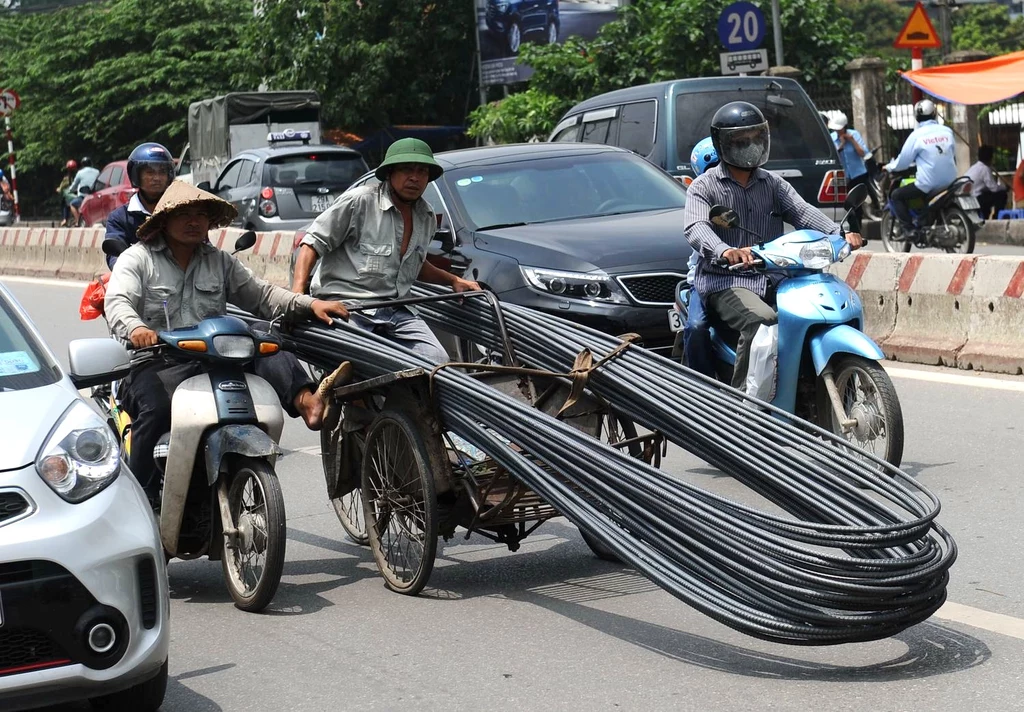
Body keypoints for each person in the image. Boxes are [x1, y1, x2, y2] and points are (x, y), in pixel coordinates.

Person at [105, 181, 351, 505]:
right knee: (158, 409)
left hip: (215, 358)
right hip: (157, 361)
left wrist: (309, 304)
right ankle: (141, 501)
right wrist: (137, 328)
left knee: (266, 340)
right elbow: (117, 301)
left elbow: (261, 295)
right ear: (163, 220)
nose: (194, 221)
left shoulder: (219, 261)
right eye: (184, 214)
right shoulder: (138, 259)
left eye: (200, 214)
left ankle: (308, 402)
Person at [683, 101, 863, 391]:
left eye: (756, 137)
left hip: (775, 276)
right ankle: (745, 406)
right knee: (762, 321)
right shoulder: (703, 186)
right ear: (723, 144)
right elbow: (696, 227)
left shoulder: (772, 183)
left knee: (816, 312)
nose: (751, 146)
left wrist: (839, 232)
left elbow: (802, 212)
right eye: (741, 141)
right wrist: (724, 250)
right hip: (726, 279)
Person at [291, 138, 479, 364]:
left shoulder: (426, 216)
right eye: (407, 169)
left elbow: (414, 264)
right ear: (390, 173)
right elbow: (312, 244)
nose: (415, 178)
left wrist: (453, 280)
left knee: (437, 362)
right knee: (361, 366)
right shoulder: (359, 202)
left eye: (422, 171)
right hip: (348, 307)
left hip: (397, 310)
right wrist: (298, 299)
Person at [884, 100, 957, 234]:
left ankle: (909, 230)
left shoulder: (916, 136)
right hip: (951, 181)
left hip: (929, 184)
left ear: (917, 117)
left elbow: (903, 162)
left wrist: (889, 167)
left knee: (896, 195)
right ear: (934, 114)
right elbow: (952, 153)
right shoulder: (947, 131)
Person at [681, 136, 719, 378]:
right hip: (707, 277)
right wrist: (723, 250)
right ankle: (703, 386)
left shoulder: (760, 185)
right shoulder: (700, 195)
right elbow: (698, 231)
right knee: (696, 327)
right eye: (712, 168)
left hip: (756, 273)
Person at [104, 143, 175, 268]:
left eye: (162, 172)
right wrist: (125, 270)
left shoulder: (180, 211)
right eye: (150, 172)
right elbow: (114, 256)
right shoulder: (120, 218)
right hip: (139, 278)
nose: (157, 178)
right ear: (136, 175)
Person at [828, 112, 869, 232]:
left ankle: (858, 231)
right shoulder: (832, 138)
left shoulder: (854, 134)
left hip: (858, 174)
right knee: (847, 205)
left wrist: (852, 141)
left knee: (858, 205)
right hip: (844, 177)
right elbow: (833, 156)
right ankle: (850, 229)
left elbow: (863, 153)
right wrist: (842, 144)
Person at [965, 145, 1008, 220]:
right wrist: (1005, 187)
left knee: (987, 195)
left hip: (971, 197)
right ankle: (996, 217)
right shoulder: (985, 169)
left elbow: (986, 188)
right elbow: (994, 188)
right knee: (1002, 194)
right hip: (976, 198)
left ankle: (986, 217)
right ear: (990, 158)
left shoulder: (973, 168)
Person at [68, 156, 100, 225]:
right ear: (91, 163)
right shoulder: (97, 172)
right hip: (95, 195)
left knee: (72, 204)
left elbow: (74, 184)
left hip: (84, 196)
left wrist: (70, 190)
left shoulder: (80, 173)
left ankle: (77, 222)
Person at [56, 160, 77, 226]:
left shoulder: (66, 179)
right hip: (77, 195)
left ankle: (65, 219)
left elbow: (60, 189)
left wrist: (58, 189)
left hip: (68, 197)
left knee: (64, 204)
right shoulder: (77, 176)